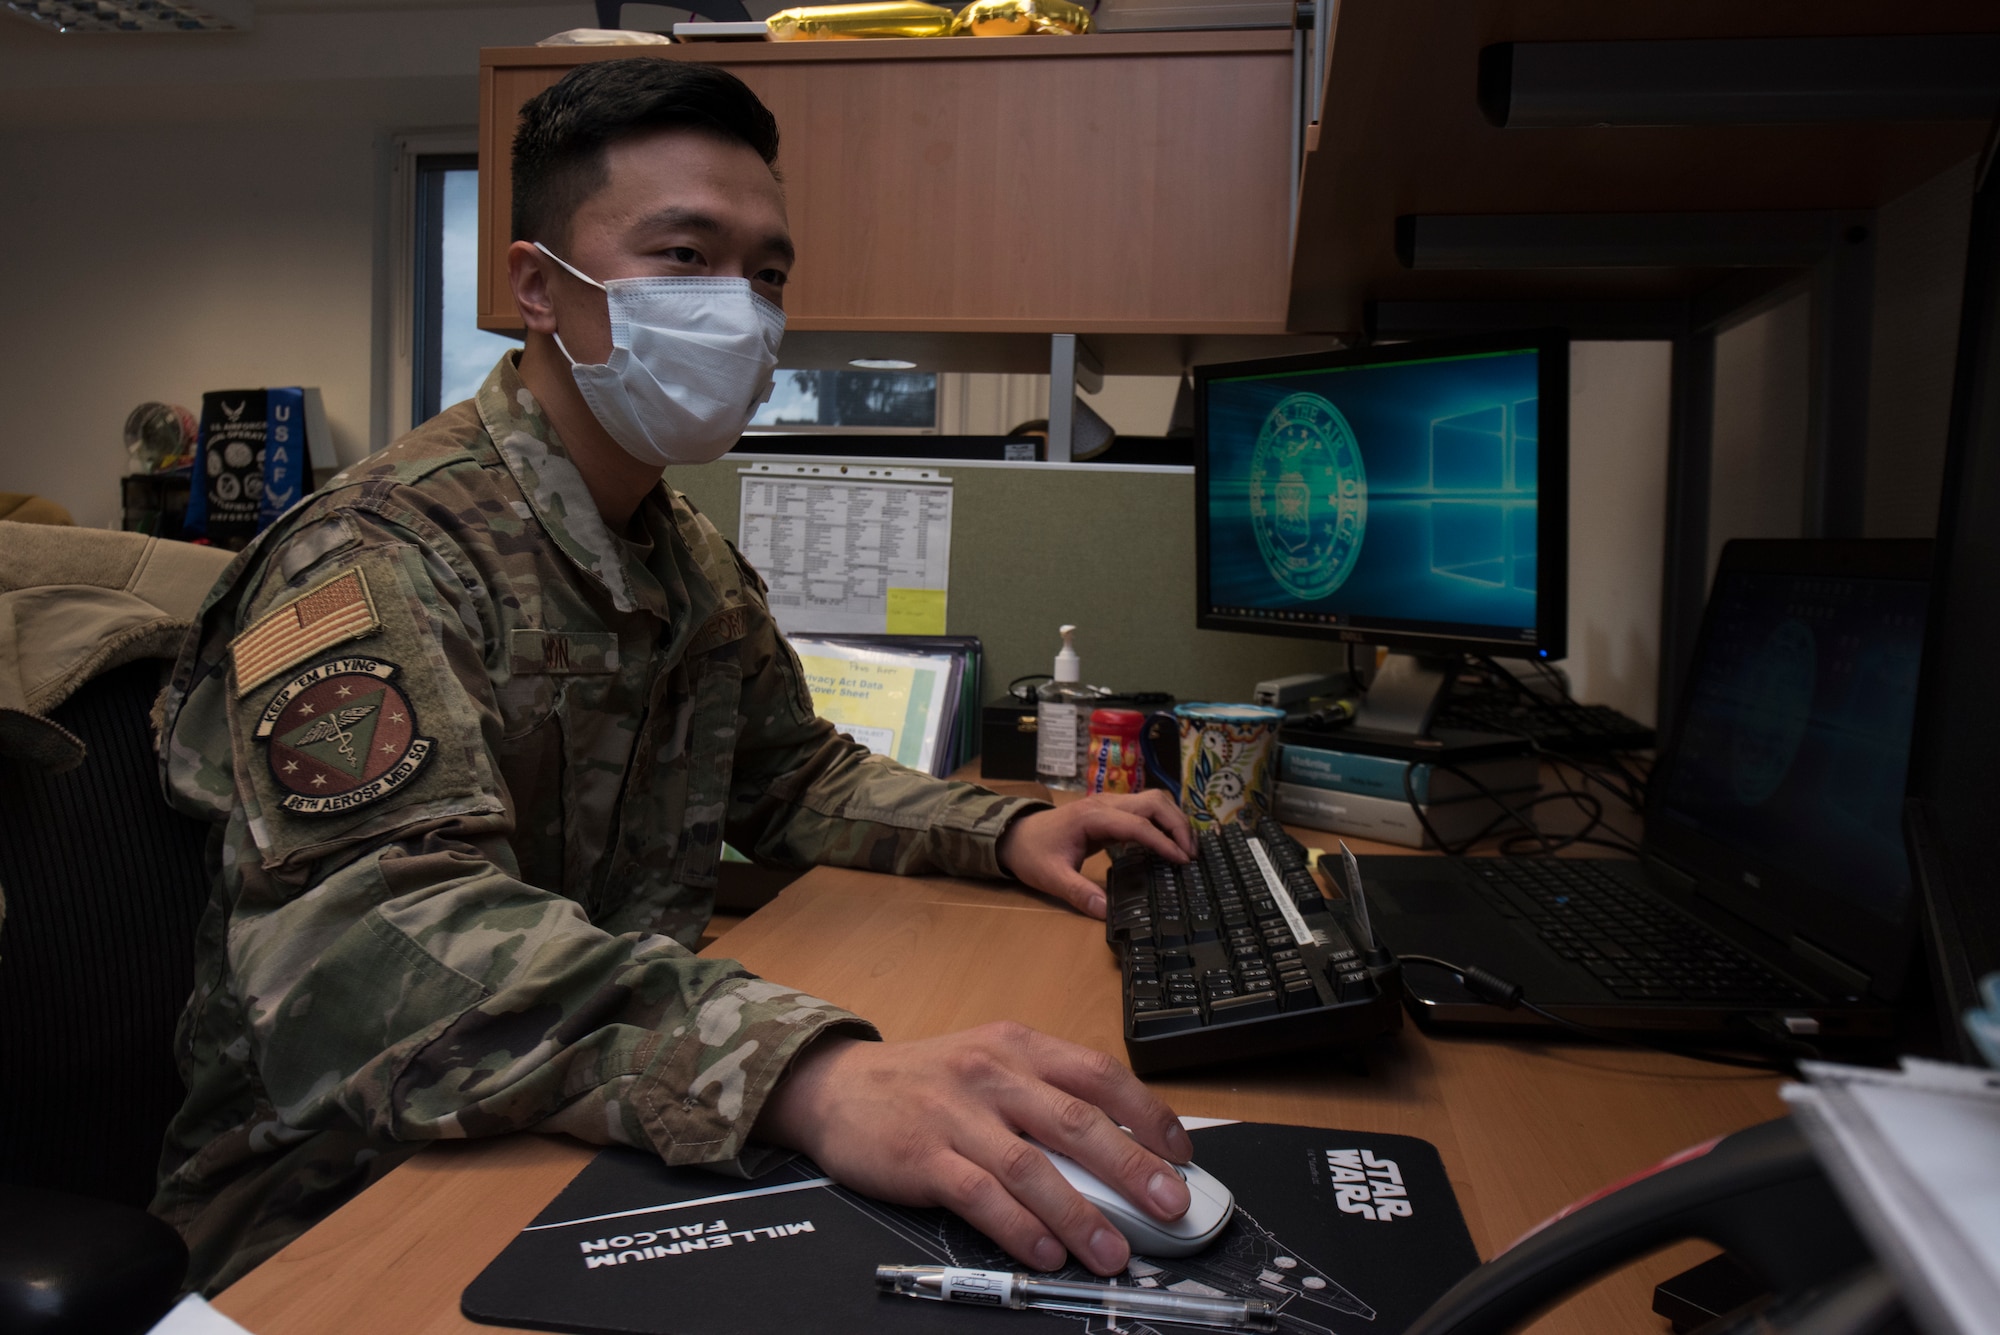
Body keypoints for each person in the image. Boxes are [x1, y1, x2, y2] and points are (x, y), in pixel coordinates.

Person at [152, 57, 1199, 1295]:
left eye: (766, 274)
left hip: (584, 1114)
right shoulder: (372, 557)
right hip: (342, 1189)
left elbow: (790, 776)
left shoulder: (678, 550)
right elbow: (375, 947)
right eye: (685, 258)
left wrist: (1004, 826)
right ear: (537, 287)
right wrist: (800, 1071)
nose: (741, 311)